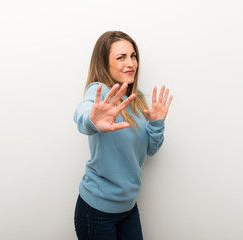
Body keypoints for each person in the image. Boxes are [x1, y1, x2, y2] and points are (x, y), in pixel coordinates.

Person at [73, 31, 173, 240]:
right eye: (121, 57)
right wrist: (93, 120)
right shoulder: (100, 93)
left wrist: (156, 123)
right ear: (104, 63)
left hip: (128, 208)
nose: (131, 63)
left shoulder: (135, 101)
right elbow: (82, 114)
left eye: (133, 56)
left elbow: (150, 150)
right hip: (96, 211)